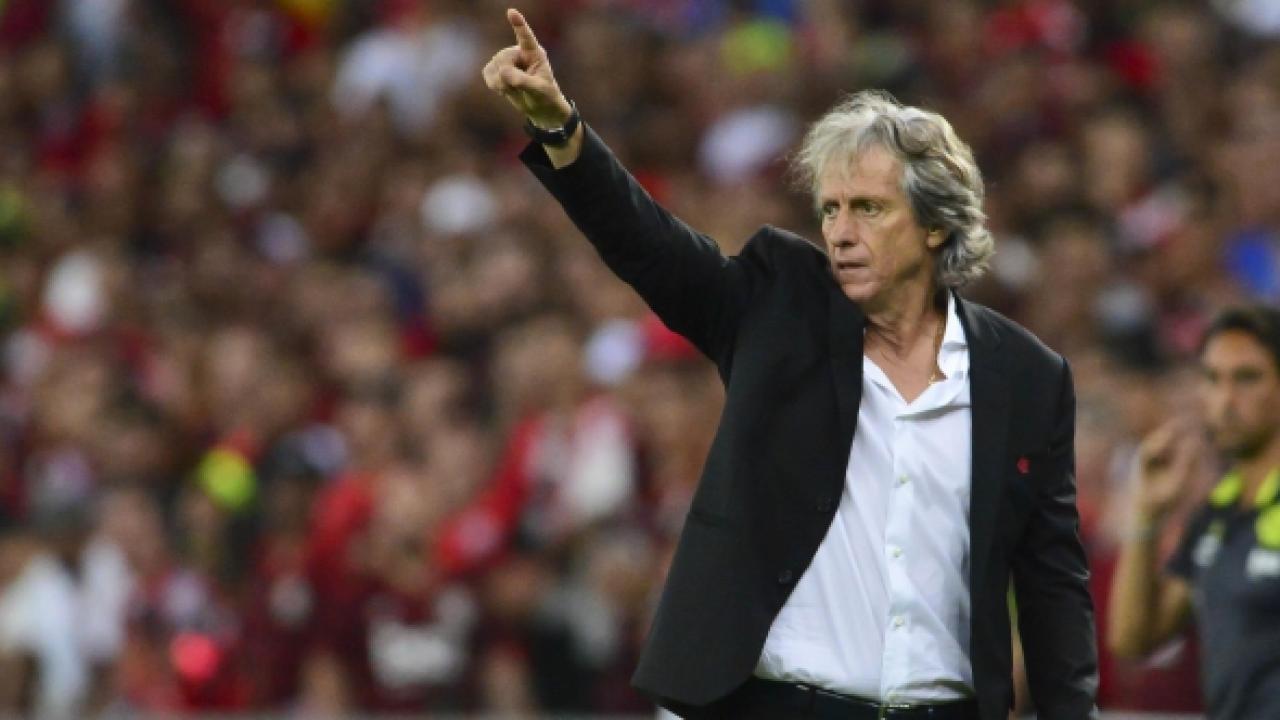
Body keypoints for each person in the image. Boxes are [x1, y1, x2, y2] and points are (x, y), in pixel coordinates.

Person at [482, 9, 1098, 719]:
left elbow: (1053, 583)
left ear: (936, 224)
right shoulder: (780, 310)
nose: (841, 232)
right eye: (830, 209)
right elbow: (652, 248)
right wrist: (562, 130)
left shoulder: (1027, 376)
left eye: (868, 209)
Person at [1108, 305, 1280, 720]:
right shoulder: (1216, 516)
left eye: (1247, 378)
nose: (1224, 400)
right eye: (1212, 379)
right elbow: (1133, 639)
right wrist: (1146, 514)